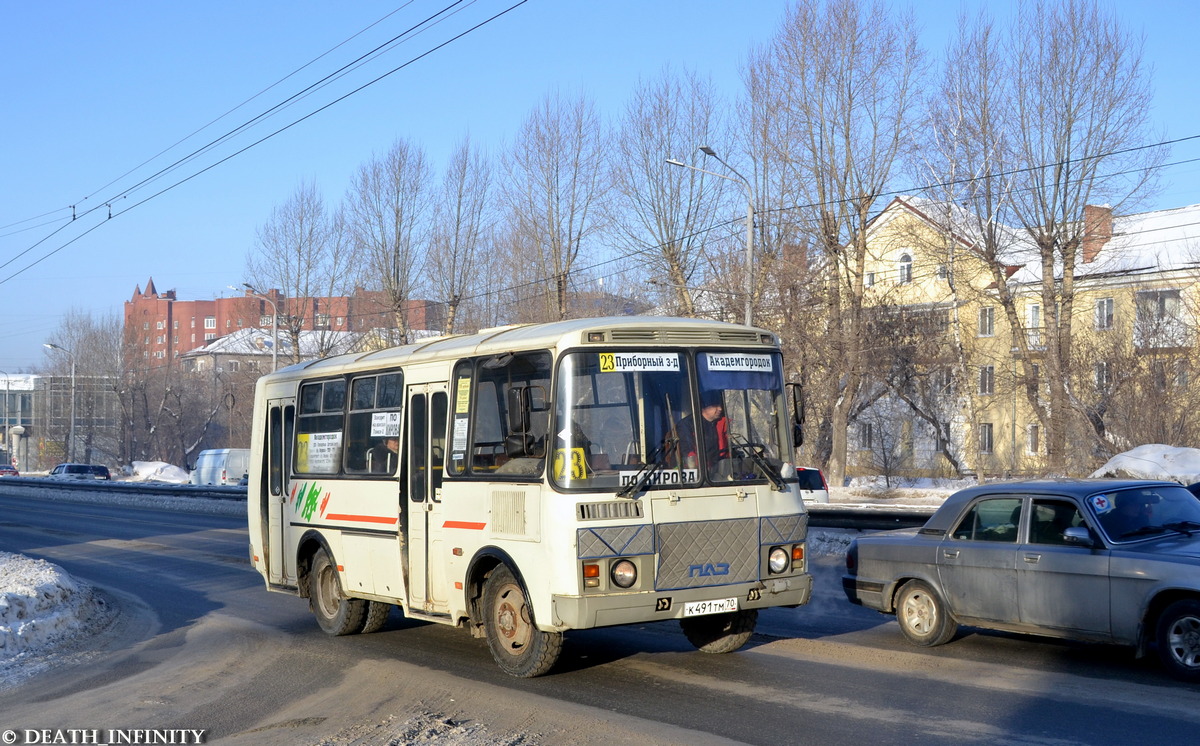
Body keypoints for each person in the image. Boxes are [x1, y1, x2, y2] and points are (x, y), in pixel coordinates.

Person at [676, 391, 729, 469]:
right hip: (699, 473)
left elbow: (728, 448)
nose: (720, 409)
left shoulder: (722, 423)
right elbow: (688, 452)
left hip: (720, 469)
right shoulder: (687, 424)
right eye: (715, 405)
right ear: (704, 406)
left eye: (720, 405)